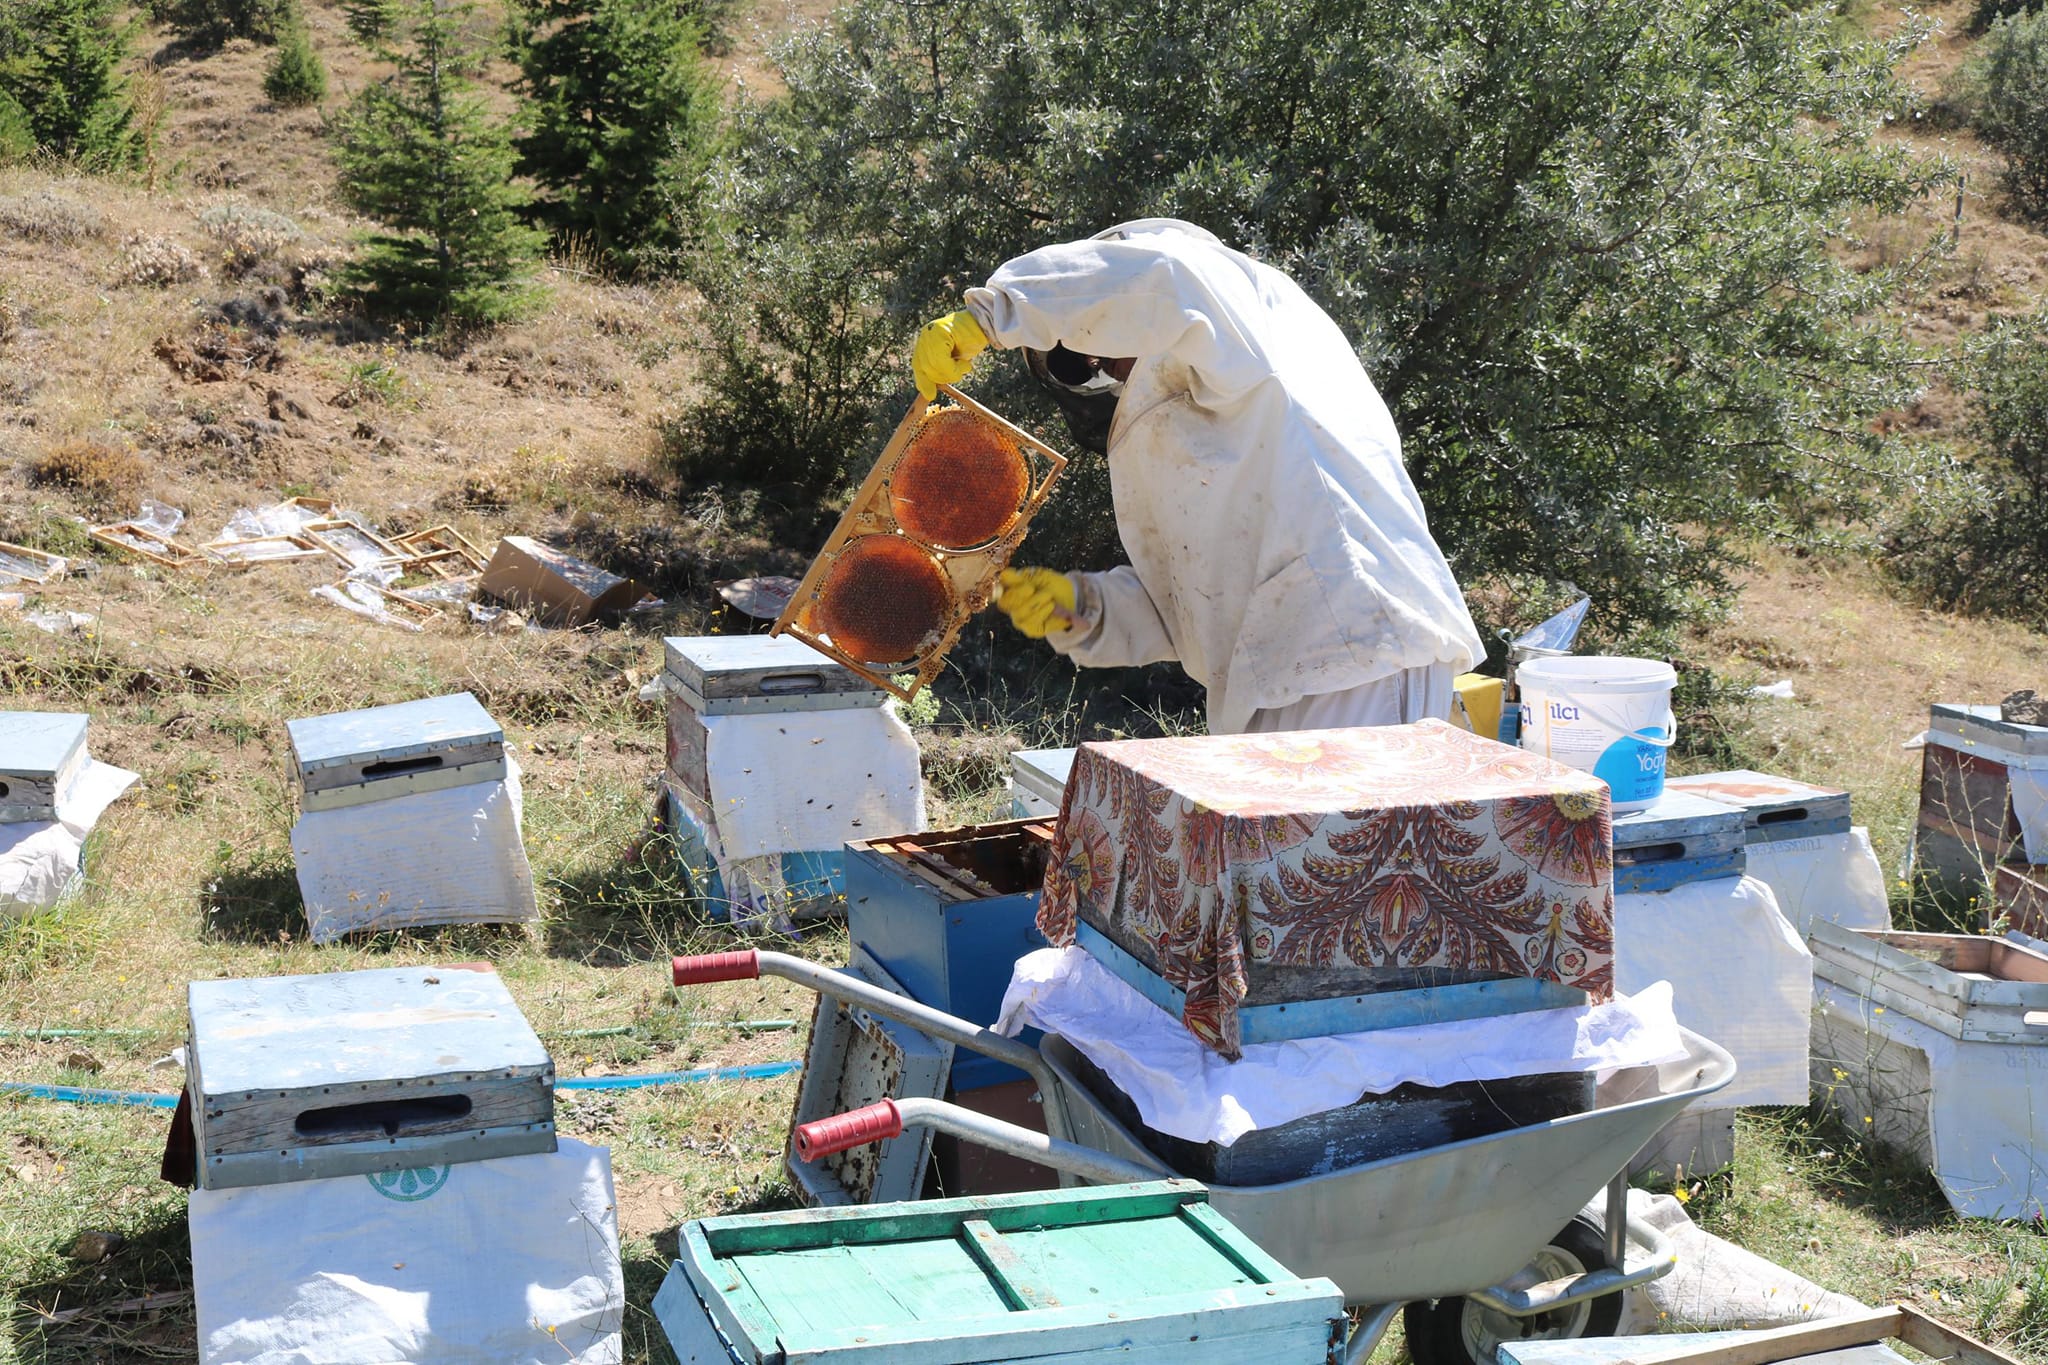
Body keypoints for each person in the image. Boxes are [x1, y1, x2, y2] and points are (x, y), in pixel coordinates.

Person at [911, 218, 1483, 735]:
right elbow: (1194, 597)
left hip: (1355, 650)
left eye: (1085, 343)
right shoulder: (1216, 398)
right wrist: (1083, 608)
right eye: (1077, 366)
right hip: (1296, 670)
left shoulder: (1235, 300)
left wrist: (996, 311)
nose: (1097, 364)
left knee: (1335, 852)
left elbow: (1169, 278)